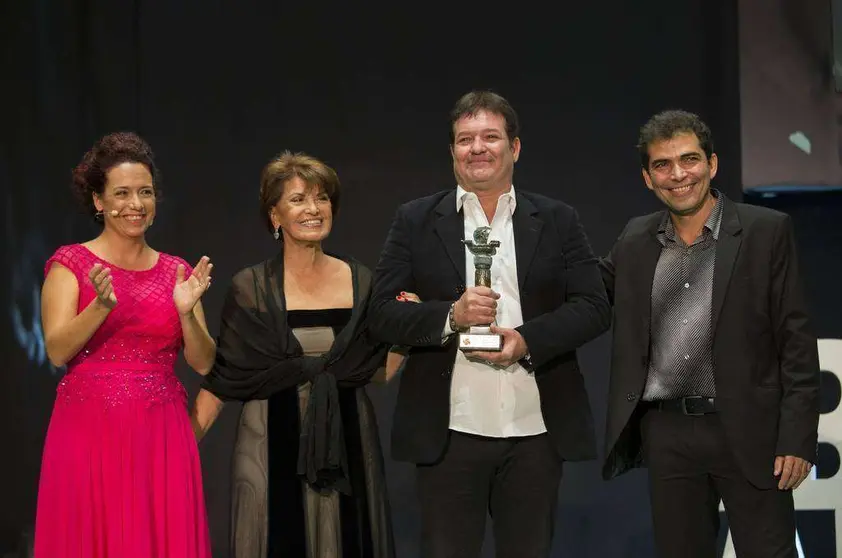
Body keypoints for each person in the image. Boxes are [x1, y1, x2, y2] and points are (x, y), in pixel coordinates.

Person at [368, 90, 611, 558]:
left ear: (514, 148)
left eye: (490, 137)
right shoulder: (416, 220)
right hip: (449, 432)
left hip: (534, 430)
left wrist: (526, 341)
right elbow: (380, 313)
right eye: (465, 139)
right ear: (453, 151)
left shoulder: (558, 220)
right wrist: (449, 316)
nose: (477, 148)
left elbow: (594, 305)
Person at [600, 110, 820, 558]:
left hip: (750, 430)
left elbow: (796, 344)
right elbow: (586, 297)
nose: (678, 174)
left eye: (689, 159)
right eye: (662, 165)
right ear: (647, 178)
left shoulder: (766, 231)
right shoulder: (635, 238)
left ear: (712, 164)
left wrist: (797, 438)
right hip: (668, 433)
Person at [191, 151, 396, 558]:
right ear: (274, 216)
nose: (313, 209)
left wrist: (413, 330)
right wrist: (176, 450)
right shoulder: (249, 287)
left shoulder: (362, 281)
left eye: (322, 199)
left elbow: (377, 372)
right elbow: (225, 379)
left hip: (348, 439)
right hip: (268, 442)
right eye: (298, 199)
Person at [34, 132, 215, 557]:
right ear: (98, 201)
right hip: (88, 432)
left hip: (161, 435)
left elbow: (205, 363)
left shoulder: (177, 271)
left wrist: (187, 312)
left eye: (145, 193)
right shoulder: (70, 263)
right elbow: (57, 350)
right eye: (122, 193)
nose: (136, 204)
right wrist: (99, 307)